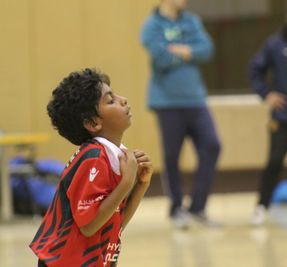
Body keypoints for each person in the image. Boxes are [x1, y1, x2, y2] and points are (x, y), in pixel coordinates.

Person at [29, 68, 153, 266]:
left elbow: (115, 223)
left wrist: (140, 185)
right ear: (93, 123)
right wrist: (127, 182)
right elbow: (88, 225)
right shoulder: (93, 158)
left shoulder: (113, 155)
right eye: (110, 100)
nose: (124, 100)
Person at [140, 0, 221, 229]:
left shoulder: (191, 21)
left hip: (195, 99)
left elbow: (206, 50)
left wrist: (178, 49)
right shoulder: (152, 25)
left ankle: (198, 207)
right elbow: (161, 57)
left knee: (212, 146)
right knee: (172, 156)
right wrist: (188, 52)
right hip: (167, 101)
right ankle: (176, 208)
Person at [249, 19, 287, 226]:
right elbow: (255, 70)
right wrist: (267, 94)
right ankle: (262, 206)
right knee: (274, 162)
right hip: (282, 117)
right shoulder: (274, 44)